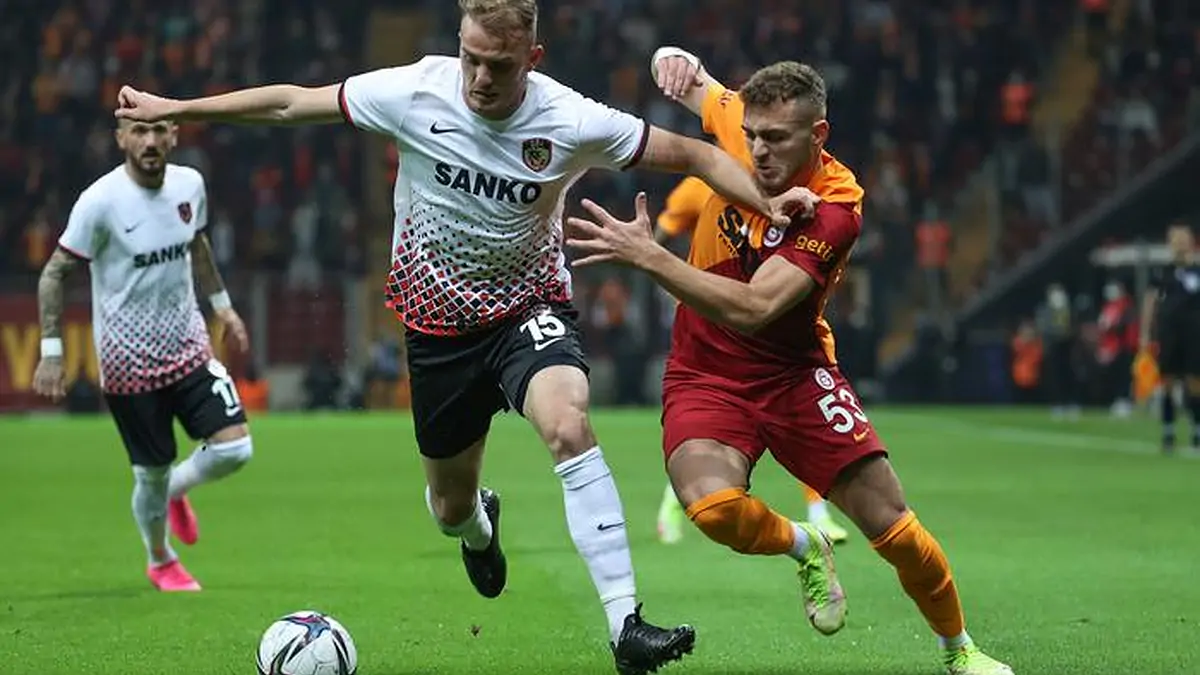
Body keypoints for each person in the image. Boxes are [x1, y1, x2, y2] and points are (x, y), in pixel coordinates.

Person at [112, 1, 805, 670]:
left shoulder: (569, 119)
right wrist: (177, 108)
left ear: (532, 58)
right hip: (437, 330)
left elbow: (696, 154)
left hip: (527, 309)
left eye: (498, 65)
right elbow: (293, 103)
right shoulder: (416, 91)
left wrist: (771, 205)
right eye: (470, 57)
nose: (479, 77)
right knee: (449, 508)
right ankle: (479, 527)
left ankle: (626, 624)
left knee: (568, 424)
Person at [566, 48, 1014, 675]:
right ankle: (805, 546)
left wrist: (651, 258)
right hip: (706, 371)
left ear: (818, 134)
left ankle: (959, 650)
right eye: (751, 135)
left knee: (893, 527)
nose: (758, 150)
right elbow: (691, 81)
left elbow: (754, 308)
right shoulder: (741, 125)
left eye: (776, 138)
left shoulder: (837, 205)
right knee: (711, 507)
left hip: (794, 373)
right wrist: (670, 60)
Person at [33, 117, 253, 593]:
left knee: (235, 449)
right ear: (121, 139)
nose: (149, 141)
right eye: (138, 132)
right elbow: (54, 273)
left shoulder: (190, 184)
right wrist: (51, 350)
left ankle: (175, 491)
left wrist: (224, 308)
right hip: (128, 365)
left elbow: (198, 246)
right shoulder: (100, 202)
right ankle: (161, 560)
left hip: (189, 347)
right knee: (149, 474)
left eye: (158, 131)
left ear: (174, 134)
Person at [652, 177, 850, 546]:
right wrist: (680, 284)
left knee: (799, 416)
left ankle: (818, 515)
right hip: (714, 326)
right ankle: (675, 501)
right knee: (706, 434)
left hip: (771, 323)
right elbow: (656, 240)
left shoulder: (790, 190)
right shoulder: (698, 186)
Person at [1140, 223, 1200, 453]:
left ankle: (1197, 431)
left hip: (1195, 333)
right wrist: (1145, 333)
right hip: (1169, 333)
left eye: (1183, 239)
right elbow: (1150, 301)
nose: (1179, 243)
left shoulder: (1197, 270)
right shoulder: (1161, 272)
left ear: (1191, 242)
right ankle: (1168, 432)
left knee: (1195, 382)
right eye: (1175, 239)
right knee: (1167, 382)